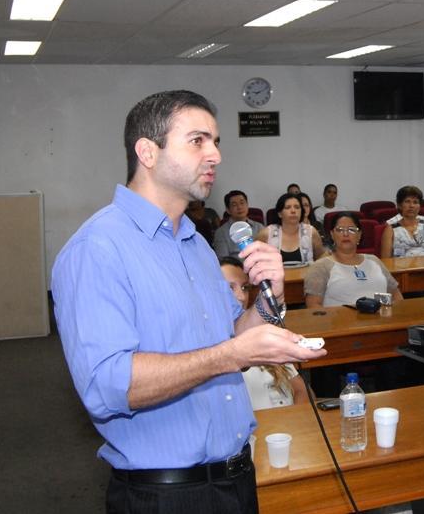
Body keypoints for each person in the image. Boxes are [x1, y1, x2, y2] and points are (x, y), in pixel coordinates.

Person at [51, 90, 325, 514]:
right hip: (167, 495)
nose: (214, 155)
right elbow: (108, 385)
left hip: (236, 477)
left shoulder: (193, 243)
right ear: (147, 151)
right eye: (198, 141)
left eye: (216, 142)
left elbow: (231, 338)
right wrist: (229, 355)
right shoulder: (98, 248)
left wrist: (271, 297)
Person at [219, 256, 310, 410]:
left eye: (244, 288)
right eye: (230, 288)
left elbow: (301, 389)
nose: (241, 297)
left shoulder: (265, 330)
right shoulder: (209, 347)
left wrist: (295, 419)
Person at [304, 212, 402, 308]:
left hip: (383, 320)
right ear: (332, 234)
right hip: (341, 322)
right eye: (340, 230)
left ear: (359, 235)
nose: (346, 234)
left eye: (351, 230)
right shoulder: (321, 266)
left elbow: (396, 296)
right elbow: (314, 306)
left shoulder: (374, 260)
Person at [256, 193, 326, 265]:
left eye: (297, 207)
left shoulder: (311, 232)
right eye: (288, 207)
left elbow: (321, 260)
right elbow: (254, 262)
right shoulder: (266, 234)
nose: (293, 211)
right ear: (280, 213)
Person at [380, 185, 424, 258]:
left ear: (419, 206)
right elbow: (385, 261)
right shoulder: (390, 229)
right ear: (400, 205)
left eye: (415, 202)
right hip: (402, 268)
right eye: (407, 201)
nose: (411, 206)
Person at [213, 190, 264, 258]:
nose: (239, 207)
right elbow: (223, 261)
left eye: (242, 203)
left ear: (247, 205)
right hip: (236, 267)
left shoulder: (259, 227)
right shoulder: (221, 233)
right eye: (234, 205)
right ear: (228, 210)